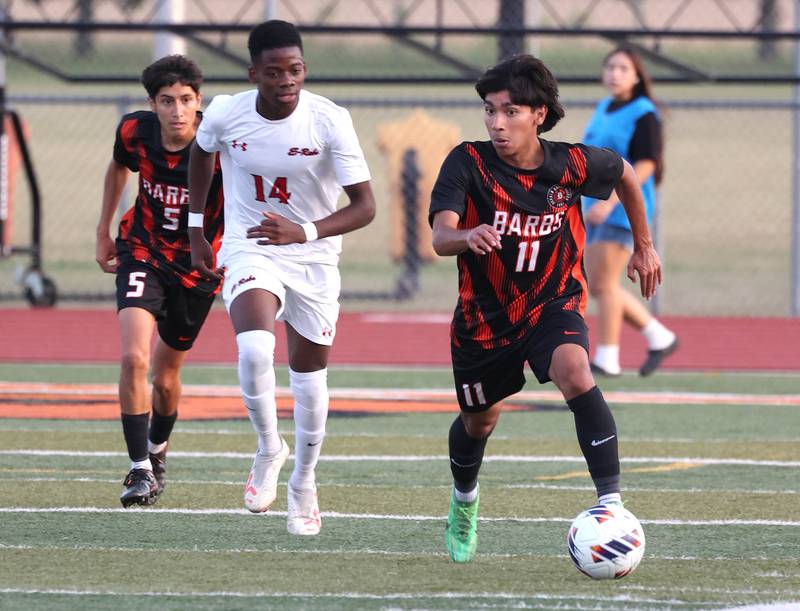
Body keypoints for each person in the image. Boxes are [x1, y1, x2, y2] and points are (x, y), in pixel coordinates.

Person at [429, 54, 662, 563]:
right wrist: (467, 234)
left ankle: (612, 506)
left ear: (539, 114)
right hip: (484, 320)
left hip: (552, 303)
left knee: (575, 371)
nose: (496, 123)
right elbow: (441, 235)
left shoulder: (570, 164)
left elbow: (625, 173)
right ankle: (464, 501)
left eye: (509, 111)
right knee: (478, 422)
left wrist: (643, 244)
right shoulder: (466, 161)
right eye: (489, 111)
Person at [187, 20, 375, 536]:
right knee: (252, 348)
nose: (287, 80)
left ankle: (304, 483)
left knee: (309, 377)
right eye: (274, 72)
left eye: (295, 70)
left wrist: (305, 230)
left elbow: (365, 207)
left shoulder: (329, 120)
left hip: (313, 257)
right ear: (255, 74)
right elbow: (202, 152)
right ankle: (269, 446)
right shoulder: (227, 113)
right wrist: (198, 227)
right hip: (252, 247)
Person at [95, 55, 224, 507]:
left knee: (166, 378)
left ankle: (157, 452)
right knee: (133, 357)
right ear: (152, 104)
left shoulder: (220, 143)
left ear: (198, 101)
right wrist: (102, 231)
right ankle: (138, 469)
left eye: (186, 100)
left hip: (198, 268)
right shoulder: (135, 131)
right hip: (142, 251)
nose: (177, 110)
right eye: (166, 101)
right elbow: (117, 167)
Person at [583, 46, 678, 377]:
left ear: (637, 76)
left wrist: (611, 202)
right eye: (610, 67)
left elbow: (646, 164)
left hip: (621, 211)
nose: (615, 73)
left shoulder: (643, 112)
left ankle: (608, 356)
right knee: (598, 285)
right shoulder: (603, 108)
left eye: (623, 68)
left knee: (604, 284)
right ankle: (658, 335)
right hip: (595, 207)